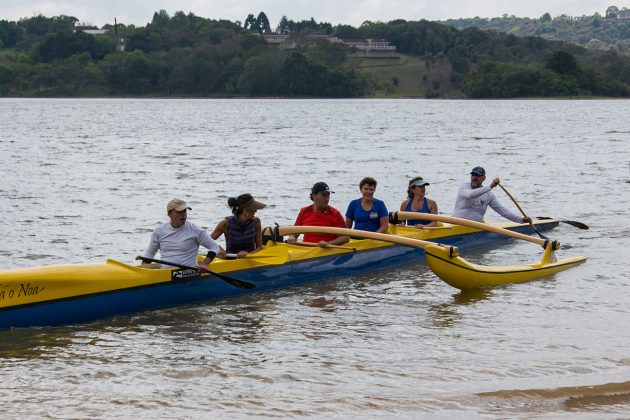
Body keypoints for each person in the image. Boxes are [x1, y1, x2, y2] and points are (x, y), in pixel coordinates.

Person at [142, 198, 221, 272]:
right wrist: (142, 272)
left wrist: (204, 264)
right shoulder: (159, 231)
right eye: (179, 212)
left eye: (185, 211)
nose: (183, 214)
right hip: (165, 275)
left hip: (189, 274)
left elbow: (214, 247)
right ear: (169, 213)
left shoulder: (195, 230)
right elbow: (150, 253)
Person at [453, 166, 532, 224]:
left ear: (484, 178)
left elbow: (502, 211)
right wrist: (491, 186)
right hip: (456, 225)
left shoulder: (488, 195)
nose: (474, 177)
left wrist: (520, 220)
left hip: (476, 228)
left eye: (477, 176)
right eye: (473, 175)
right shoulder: (464, 187)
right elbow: (471, 195)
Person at [286, 182, 350, 248]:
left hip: (325, 252)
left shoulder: (335, 213)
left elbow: (346, 237)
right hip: (306, 251)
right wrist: (291, 237)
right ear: (314, 196)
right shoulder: (304, 211)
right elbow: (294, 232)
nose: (327, 198)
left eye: (328, 195)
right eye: (324, 195)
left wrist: (328, 244)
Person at [210, 194, 266, 258]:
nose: (256, 211)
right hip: (230, 259)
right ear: (245, 210)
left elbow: (259, 247)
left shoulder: (256, 222)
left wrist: (248, 254)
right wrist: (218, 249)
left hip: (250, 258)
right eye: (254, 209)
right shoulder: (225, 223)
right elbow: (207, 241)